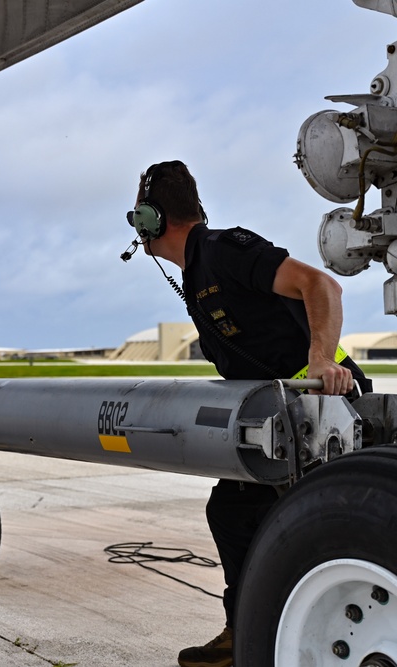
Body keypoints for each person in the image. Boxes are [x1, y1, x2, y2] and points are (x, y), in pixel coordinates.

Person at [124, 161, 371, 667]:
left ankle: (290, 631)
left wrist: (322, 358)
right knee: (234, 512)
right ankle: (253, 630)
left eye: (137, 215)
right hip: (281, 412)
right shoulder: (198, 271)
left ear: (151, 219)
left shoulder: (224, 250)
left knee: (319, 520)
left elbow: (321, 285)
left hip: (328, 402)